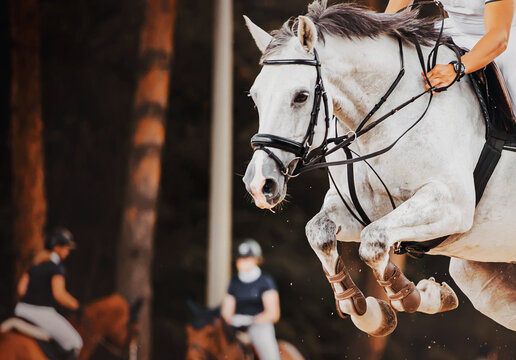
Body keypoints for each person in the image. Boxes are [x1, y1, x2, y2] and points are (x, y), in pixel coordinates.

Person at [385, 0, 515, 106]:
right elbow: (391, 21)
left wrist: (457, 68)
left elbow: (499, 37)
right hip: (456, 30)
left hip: (503, 36)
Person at [15, 228, 83, 359]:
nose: (67, 252)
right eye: (66, 248)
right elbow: (59, 294)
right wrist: (77, 306)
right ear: (57, 247)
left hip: (21, 310)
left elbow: (21, 289)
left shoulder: (35, 264)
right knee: (75, 343)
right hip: (42, 313)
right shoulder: (57, 268)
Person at [221, 239, 281, 360]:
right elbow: (227, 311)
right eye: (240, 259)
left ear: (255, 260)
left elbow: (273, 313)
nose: (242, 262)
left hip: (260, 328)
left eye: (246, 259)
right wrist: (234, 320)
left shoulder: (265, 282)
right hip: (237, 329)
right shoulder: (234, 283)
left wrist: (251, 321)